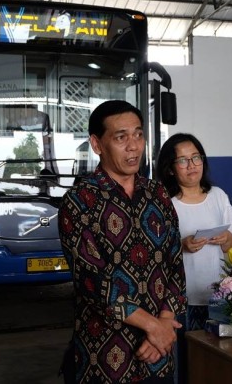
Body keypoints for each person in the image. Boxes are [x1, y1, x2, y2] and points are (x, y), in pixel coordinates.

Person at [58, 100, 186, 384]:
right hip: (105, 357)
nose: (133, 146)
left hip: (158, 355)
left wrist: (164, 323)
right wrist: (154, 326)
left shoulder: (158, 194)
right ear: (96, 143)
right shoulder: (79, 201)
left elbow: (174, 263)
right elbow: (94, 282)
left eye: (139, 135)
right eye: (121, 137)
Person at [156, 133, 232, 384]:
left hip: (217, 299)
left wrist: (225, 237)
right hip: (178, 302)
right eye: (182, 160)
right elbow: (154, 252)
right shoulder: (164, 202)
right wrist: (181, 246)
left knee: (216, 363)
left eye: (196, 157)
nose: (192, 165)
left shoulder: (218, 196)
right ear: (170, 168)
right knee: (183, 364)